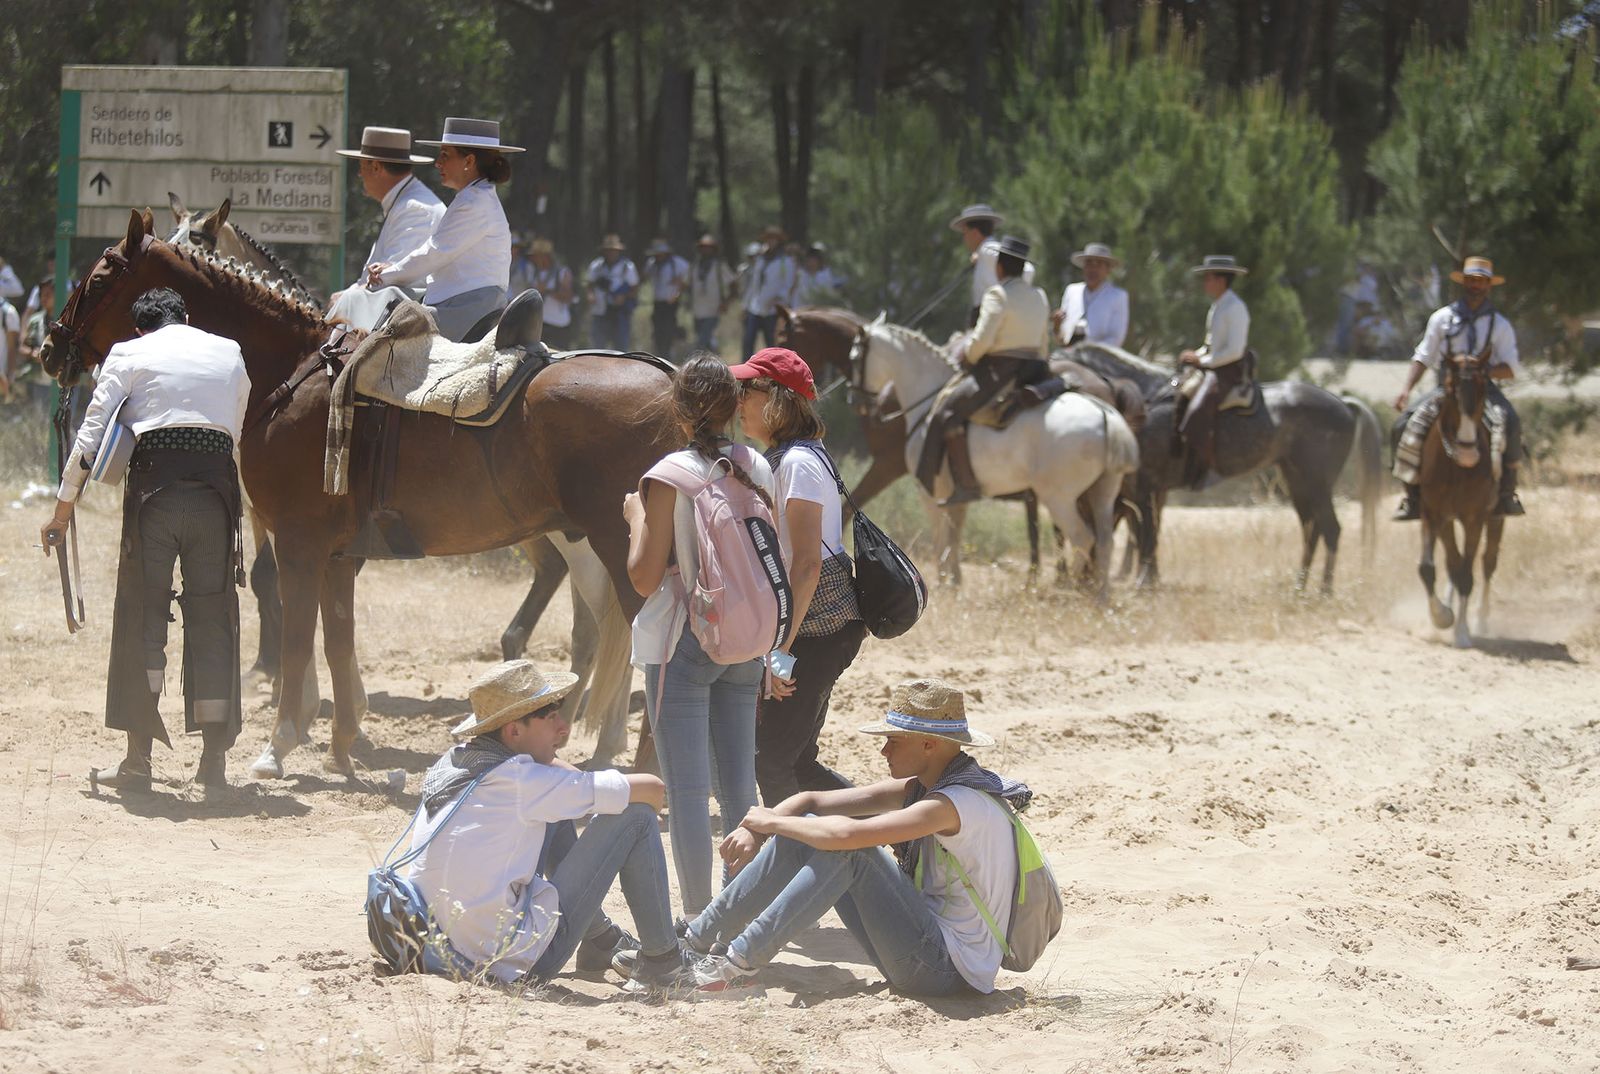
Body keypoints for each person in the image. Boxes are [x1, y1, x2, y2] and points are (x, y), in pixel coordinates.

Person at [633, 679, 1029, 998]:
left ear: (929, 744)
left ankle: (735, 967)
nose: (883, 749)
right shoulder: (929, 785)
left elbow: (847, 834)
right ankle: (692, 943)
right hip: (925, 950)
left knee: (847, 851)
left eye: (895, 740)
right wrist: (754, 825)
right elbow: (812, 801)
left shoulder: (951, 803)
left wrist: (770, 823)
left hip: (944, 971)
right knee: (811, 829)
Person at [40, 288, 250, 797]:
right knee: (213, 621)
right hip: (217, 499)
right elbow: (233, 432)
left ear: (140, 329)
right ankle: (214, 772)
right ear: (187, 318)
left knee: (143, 619)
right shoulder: (230, 352)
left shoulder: (128, 354)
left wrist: (62, 511)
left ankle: (138, 764)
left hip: (153, 498)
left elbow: (90, 436)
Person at [404, 659, 695, 988]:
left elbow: (554, 773)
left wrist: (582, 785)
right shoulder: (523, 783)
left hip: (443, 950)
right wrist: (625, 806)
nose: (563, 727)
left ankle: (600, 941)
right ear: (514, 730)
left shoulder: (459, 761)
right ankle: (663, 963)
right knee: (637, 817)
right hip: (515, 963)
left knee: (563, 812)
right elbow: (654, 791)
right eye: (550, 716)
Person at [623, 354, 772, 917]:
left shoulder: (668, 476)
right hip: (747, 637)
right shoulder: (756, 465)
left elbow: (643, 577)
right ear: (735, 410)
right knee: (739, 786)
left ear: (679, 413)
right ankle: (745, 915)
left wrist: (636, 516)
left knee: (687, 793)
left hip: (684, 638)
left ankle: (697, 919)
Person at [728, 347, 866, 805]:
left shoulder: (799, 463)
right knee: (796, 762)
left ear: (779, 399)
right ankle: (892, 837)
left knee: (773, 762)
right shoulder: (792, 457)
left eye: (748, 389)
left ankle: (794, 865)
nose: (739, 399)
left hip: (816, 631)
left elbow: (806, 565)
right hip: (818, 627)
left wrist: (780, 651)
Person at [917, 236, 1051, 506]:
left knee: (947, 412)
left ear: (999, 267)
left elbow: (981, 342)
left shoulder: (997, 294)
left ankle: (965, 484)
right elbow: (1044, 341)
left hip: (999, 370)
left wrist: (969, 355)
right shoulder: (1039, 295)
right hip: (1035, 367)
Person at [1390, 256, 1524, 520]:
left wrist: (1483, 371)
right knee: (1403, 424)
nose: (1475, 286)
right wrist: (1406, 389)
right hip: (1447, 389)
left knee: (1511, 421)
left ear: (1488, 286)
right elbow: (1424, 356)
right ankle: (1412, 496)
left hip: (1484, 388)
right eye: (1471, 280)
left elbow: (1511, 368)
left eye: (1481, 281)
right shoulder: (1442, 318)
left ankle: (1508, 493)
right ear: (1464, 283)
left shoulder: (1500, 325)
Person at [366, 117, 520, 342]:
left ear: (468, 161)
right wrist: (393, 270)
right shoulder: (474, 197)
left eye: (445, 155)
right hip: (462, 304)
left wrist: (385, 276)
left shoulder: (473, 202)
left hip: (466, 309)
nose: (438, 163)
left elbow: (434, 253)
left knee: (386, 345)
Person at [329, 126, 445, 317]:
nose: (359, 175)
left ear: (375, 167)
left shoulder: (415, 209)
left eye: (361, 166)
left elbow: (393, 281)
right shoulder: (408, 204)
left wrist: (347, 297)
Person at [1176, 255, 1253, 480]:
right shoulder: (1217, 306)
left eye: (1208, 278)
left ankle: (1208, 465)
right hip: (1214, 366)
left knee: (1199, 408)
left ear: (1221, 280)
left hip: (1229, 371)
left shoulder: (1236, 308)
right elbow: (1211, 344)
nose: (1205, 283)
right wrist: (1194, 355)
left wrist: (1203, 362)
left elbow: (1234, 351)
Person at [950, 204, 1035, 327]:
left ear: (974, 233)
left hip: (993, 319)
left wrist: (1012, 296)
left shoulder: (988, 249)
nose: (964, 238)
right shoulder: (984, 252)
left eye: (965, 233)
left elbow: (1028, 270)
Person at [1051, 242, 1129, 348]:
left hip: (1098, 357)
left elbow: (1116, 338)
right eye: (1089, 264)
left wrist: (1089, 352)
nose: (1093, 269)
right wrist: (1057, 325)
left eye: (1099, 265)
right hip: (1068, 351)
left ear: (1108, 270)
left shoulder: (1118, 296)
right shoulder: (1072, 290)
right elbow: (1061, 338)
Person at [741, 226, 797, 357]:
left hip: (772, 309)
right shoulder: (760, 260)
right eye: (768, 239)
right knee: (748, 341)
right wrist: (745, 305)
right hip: (755, 307)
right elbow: (754, 285)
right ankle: (744, 371)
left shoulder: (786, 261)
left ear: (779, 242)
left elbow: (788, 285)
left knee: (771, 343)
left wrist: (779, 299)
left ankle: (771, 372)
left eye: (774, 239)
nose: (771, 242)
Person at [586, 235, 640, 351]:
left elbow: (635, 288)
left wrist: (623, 296)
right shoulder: (596, 266)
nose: (611, 253)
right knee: (598, 347)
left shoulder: (628, 267)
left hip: (620, 312)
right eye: (608, 250)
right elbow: (589, 284)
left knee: (620, 348)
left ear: (618, 251)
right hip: (600, 310)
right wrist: (590, 295)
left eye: (613, 251)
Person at [687, 234, 737, 352]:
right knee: (706, 341)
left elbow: (734, 286)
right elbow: (686, 284)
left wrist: (727, 303)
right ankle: (713, 363)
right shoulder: (694, 266)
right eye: (703, 247)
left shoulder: (720, 266)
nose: (706, 250)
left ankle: (696, 366)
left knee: (701, 342)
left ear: (714, 250)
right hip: (697, 309)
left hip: (713, 309)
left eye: (709, 247)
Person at [643, 237, 691, 356]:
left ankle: (669, 353)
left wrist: (679, 289)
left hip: (671, 302)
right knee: (657, 329)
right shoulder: (652, 263)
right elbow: (646, 277)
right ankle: (660, 353)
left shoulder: (678, 263)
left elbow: (688, 278)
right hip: (657, 301)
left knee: (669, 329)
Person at [526, 239, 577, 349]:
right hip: (540, 324)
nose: (533, 258)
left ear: (545, 256)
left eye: (536, 255)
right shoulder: (533, 272)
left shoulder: (562, 272)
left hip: (559, 324)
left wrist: (547, 291)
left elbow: (568, 297)